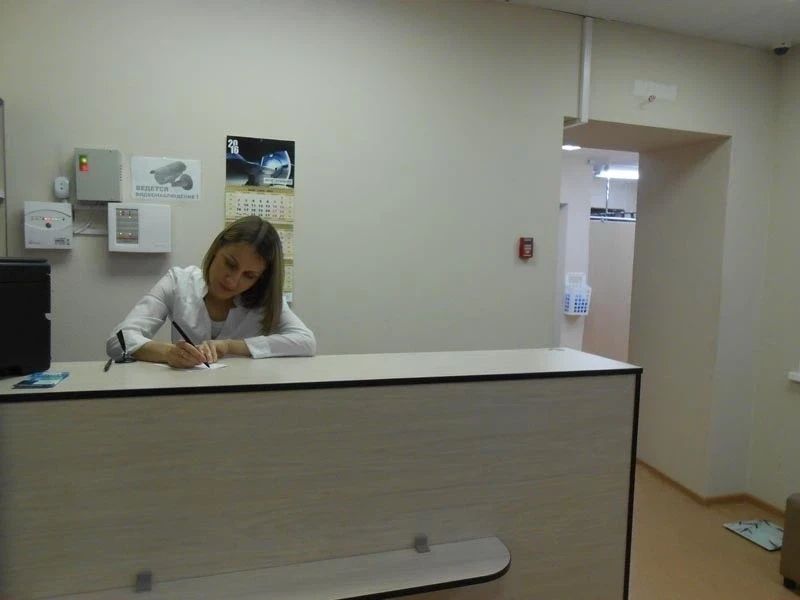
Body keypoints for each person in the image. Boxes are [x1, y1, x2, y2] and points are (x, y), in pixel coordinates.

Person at [106, 216, 316, 368]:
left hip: (246, 399)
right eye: (230, 264)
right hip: (186, 396)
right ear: (216, 250)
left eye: (249, 276)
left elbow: (306, 342)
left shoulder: (265, 299)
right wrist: (168, 353)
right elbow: (118, 340)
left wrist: (230, 347)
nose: (233, 281)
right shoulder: (178, 282)